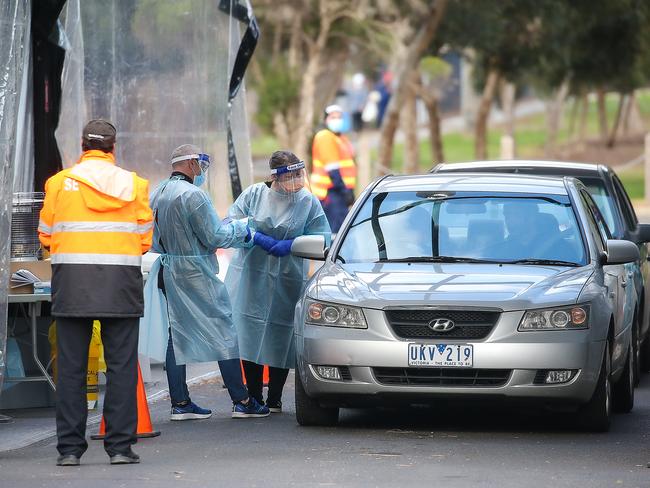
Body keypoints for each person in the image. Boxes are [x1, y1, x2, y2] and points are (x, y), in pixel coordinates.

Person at [39, 119, 153, 466]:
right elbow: (145, 239)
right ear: (113, 148)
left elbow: (45, 235)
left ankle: (70, 451)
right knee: (120, 368)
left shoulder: (58, 183)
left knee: (71, 369)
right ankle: (120, 448)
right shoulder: (135, 184)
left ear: (83, 146)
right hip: (120, 285)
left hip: (73, 284)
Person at [141, 144, 269, 422]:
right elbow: (214, 237)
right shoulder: (194, 196)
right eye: (200, 164)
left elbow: (150, 238)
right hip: (195, 272)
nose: (202, 171)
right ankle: (242, 399)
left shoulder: (157, 193)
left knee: (177, 334)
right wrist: (243, 229)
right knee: (224, 330)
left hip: (168, 268)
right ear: (189, 164)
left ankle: (180, 402)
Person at [225, 150, 331, 412]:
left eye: (299, 174)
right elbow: (231, 223)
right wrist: (255, 237)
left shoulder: (307, 201)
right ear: (275, 176)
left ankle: (274, 398)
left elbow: (323, 237)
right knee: (249, 331)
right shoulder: (254, 195)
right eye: (291, 175)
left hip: (287, 276)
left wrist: (291, 244)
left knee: (281, 334)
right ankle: (253, 396)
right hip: (251, 274)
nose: (296, 180)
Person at [310, 104, 357, 233]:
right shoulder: (325, 136)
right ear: (325, 119)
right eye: (333, 117)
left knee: (342, 231)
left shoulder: (341, 138)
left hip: (339, 192)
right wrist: (345, 191)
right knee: (336, 234)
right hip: (331, 193)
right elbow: (333, 170)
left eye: (339, 117)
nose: (337, 120)